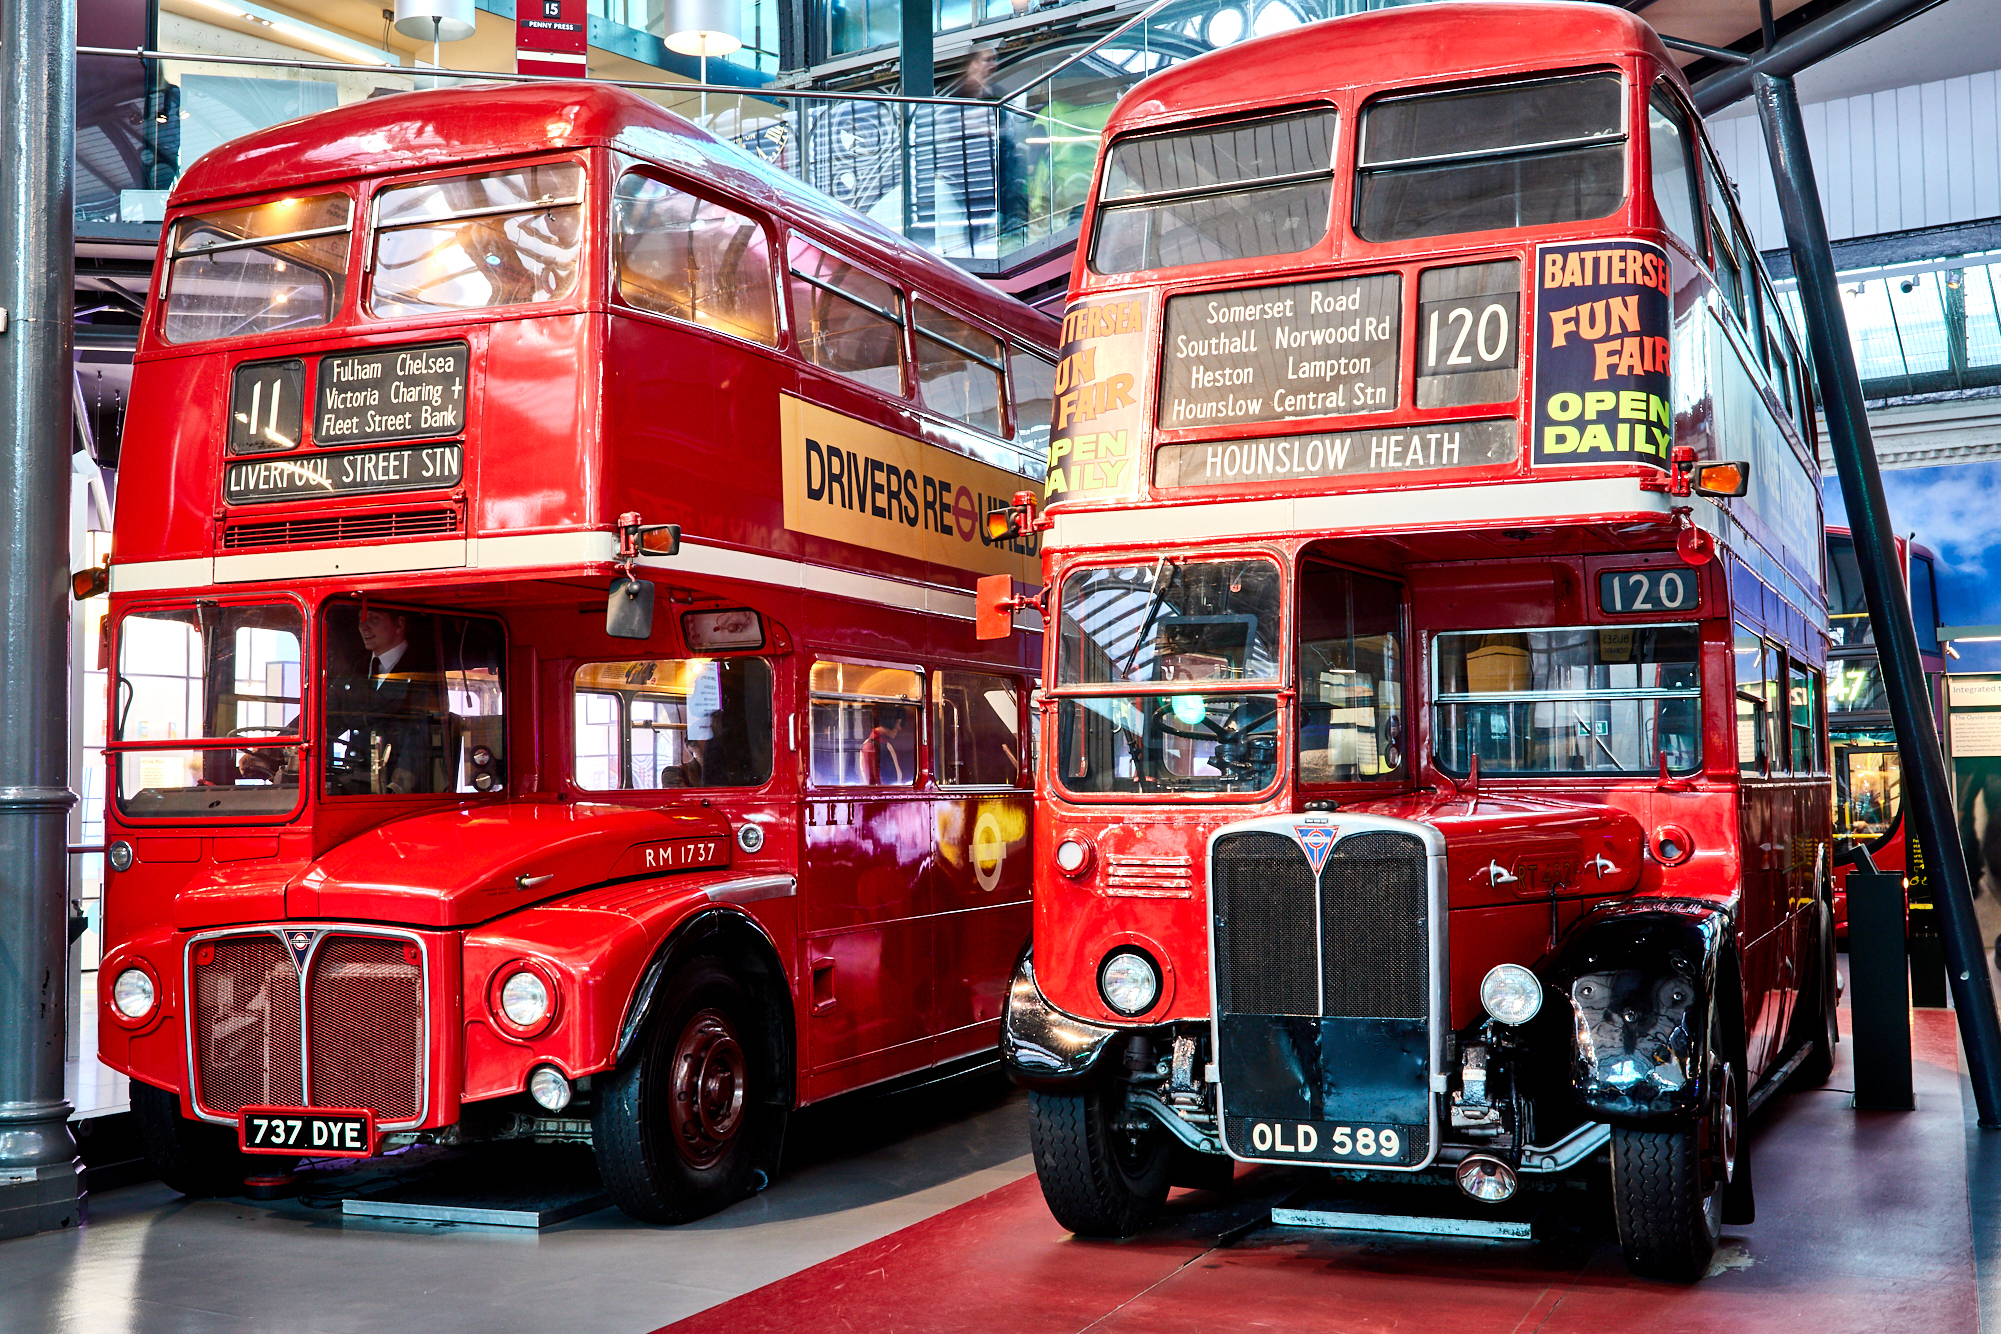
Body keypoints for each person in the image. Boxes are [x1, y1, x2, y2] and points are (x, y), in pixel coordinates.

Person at [325, 607, 439, 794]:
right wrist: (278, 746)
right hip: (349, 784)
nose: (364, 628)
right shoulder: (357, 670)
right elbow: (326, 714)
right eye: (360, 620)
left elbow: (419, 735)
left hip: (389, 794)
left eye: (373, 619)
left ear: (399, 624)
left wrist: (399, 785)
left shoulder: (422, 673)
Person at [859, 707, 907, 785]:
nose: (899, 728)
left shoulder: (884, 744)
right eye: (897, 722)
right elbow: (874, 784)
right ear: (889, 721)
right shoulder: (870, 746)